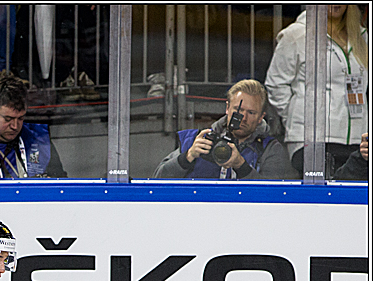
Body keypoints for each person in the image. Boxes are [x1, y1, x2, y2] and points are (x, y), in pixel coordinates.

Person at [265, 6, 369, 178]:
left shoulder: (363, 36)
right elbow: (276, 85)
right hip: (312, 140)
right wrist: (299, 116)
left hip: (358, 138)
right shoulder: (296, 35)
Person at [153, 79, 292, 180]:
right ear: (227, 108)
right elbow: (157, 180)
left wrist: (240, 165)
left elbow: (273, 195)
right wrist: (188, 156)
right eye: (238, 110)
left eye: (251, 113)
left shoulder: (270, 148)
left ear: (261, 117)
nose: (243, 118)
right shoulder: (199, 138)